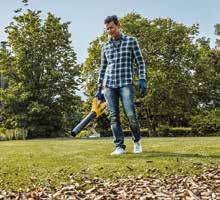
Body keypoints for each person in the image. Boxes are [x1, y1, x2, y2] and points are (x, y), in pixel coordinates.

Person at [96, 15, 147, 155]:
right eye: (107, 29)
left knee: (130, 114)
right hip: (109, 85)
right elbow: (102, 68)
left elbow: (140, 62)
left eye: (111, 27)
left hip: (126, 83)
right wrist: (99, 88)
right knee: (113, 116)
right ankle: (119, 146)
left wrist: (142, 79)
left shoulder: (131, 41)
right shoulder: (105, 46)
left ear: (118, 25)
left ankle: (137, 141)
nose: (109, 30)